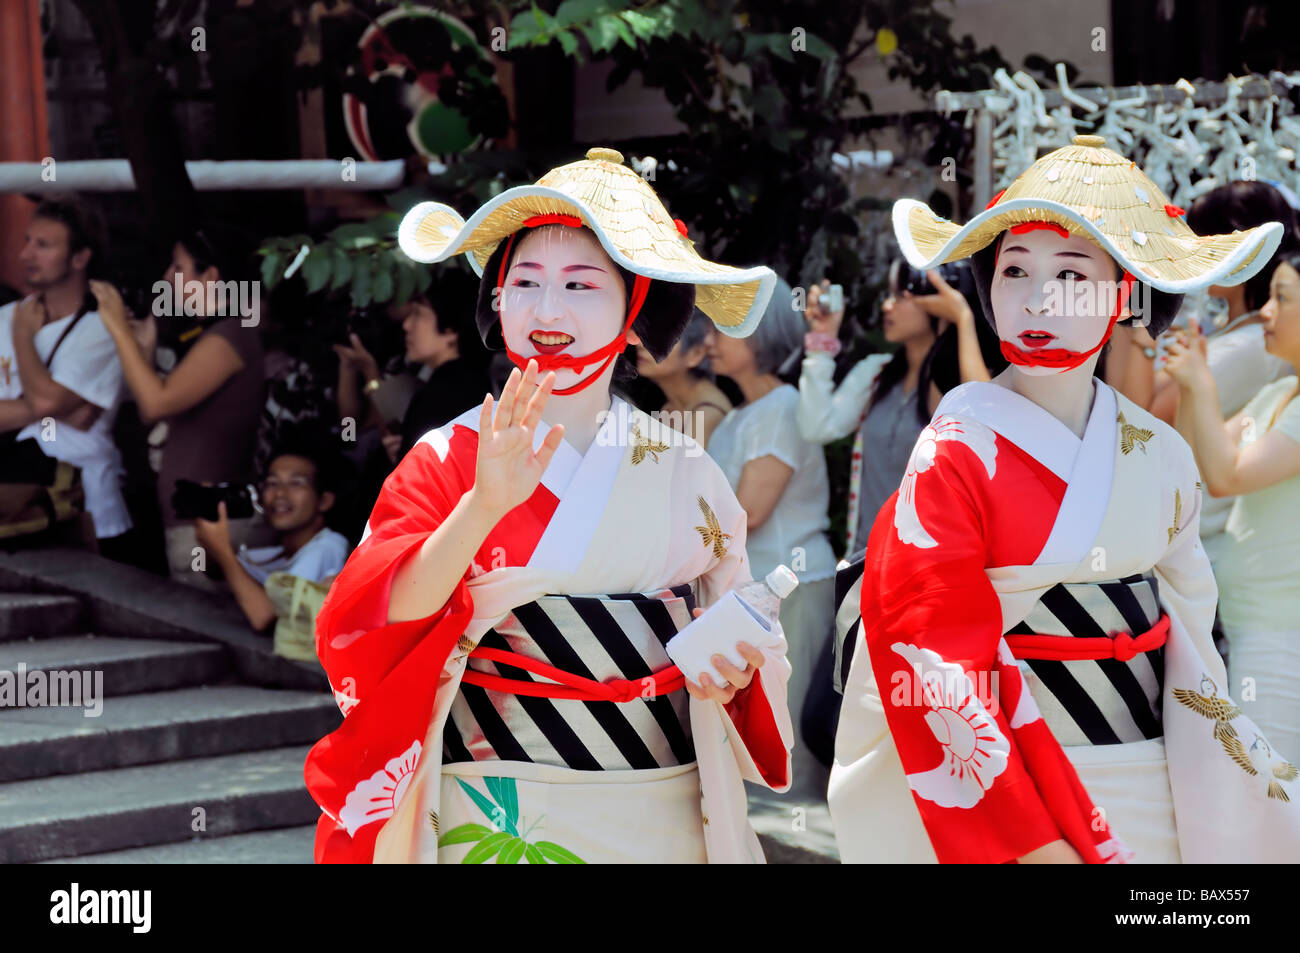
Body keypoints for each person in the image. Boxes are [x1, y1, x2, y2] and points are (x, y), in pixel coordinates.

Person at [305, 147, 792, 864]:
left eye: (580, 283)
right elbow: (377, 619)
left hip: (656, 808)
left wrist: (738, 668)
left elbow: (740, 624)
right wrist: (481, 506)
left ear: (635, 311)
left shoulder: (685, 469)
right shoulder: (448, 457)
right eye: (524, 281)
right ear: (496, 301)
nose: (548, 309)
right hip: (499, 811)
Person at [828, 134, 1300, 864]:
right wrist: (1031, 839)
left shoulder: (1163, 455)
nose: (1039, 298)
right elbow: (928, 647)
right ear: (986, 288)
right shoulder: (954, 449)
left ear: (1125, 292)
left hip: (1152, 780)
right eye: (1014, 270)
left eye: (1074, 273)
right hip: (1011, 786)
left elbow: (1191, 641)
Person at [1165, 249, 1300, 759]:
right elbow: (1195, 458)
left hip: (1283, 635)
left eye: (1280, 299)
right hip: (1253, 628)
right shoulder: (1280, 394)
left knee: (1275, 794)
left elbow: (1227, 477)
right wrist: (1190, 382)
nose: (1264, 311)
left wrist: (1201, 383)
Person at [704, 278, 836, 794]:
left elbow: (750, 510)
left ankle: (797, 841)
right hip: (755, 592)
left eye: (726, 328)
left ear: (762, 336)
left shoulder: (780, 407)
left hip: (791, 584)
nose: (710, 339)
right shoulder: (742, 413)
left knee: (785, 728)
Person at [92, 225, 266, 589]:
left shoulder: (228, 337)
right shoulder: (213, 335)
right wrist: (145, 349)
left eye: (178, 267)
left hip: (210, 526)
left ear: (212, 276)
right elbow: (152, 405)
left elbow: (156, 404)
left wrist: (118, 330)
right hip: (194, 521)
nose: (166, 277)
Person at [798, 261, 1001, 561]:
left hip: (930, 567)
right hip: (865, 563)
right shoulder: (876, 373)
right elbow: (817, 427)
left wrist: (962, 318)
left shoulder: (962, 384)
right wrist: (822, 339)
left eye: (901, 295)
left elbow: (988, 428)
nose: (887, 306)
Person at [1152, 181, 1298, 568]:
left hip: (1221, 554)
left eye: (1202, 240)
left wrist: (1194, 380)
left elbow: (1223, 474)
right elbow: (1188, 449)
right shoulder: (1272, 381)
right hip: (1201, 544)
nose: (1192, 253)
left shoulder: (1251, 347)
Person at [0, 197, 132, 550]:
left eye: (43, 245)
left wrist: (22, 338)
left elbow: (44, 401)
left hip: (90, 509)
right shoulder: (5, 316)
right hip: (14, 503)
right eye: (27, 241)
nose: (26, 254)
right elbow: (49, 404)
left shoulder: (104, 327)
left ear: (80, 258)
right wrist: (62, 406)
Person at [335, 269, 491, 466]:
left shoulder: (447, 391)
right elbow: (350, 429)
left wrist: (371, 377)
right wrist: (351, 369)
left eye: (417, 314)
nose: (406, 325)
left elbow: (361, 431)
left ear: (451, 330)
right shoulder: (454, 382)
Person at [193, 440, 350, 633]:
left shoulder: (329, 547)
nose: (280, 494)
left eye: (296, 483)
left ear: (324, 501)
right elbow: (216, 571)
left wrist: (222, 550)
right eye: (272, 483)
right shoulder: (276, 554)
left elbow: (267, 619)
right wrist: (210, 533)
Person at [634, 310, 732, 449]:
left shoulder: (706, 414)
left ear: (695, 354)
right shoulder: (672, 407)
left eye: (661, 338)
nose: (640, 344)